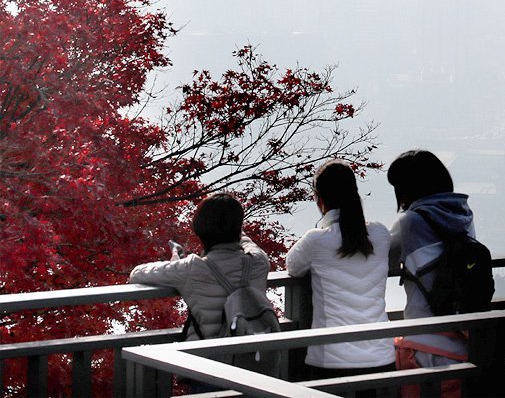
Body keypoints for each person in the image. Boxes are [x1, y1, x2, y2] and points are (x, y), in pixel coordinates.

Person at [129, 193, 270, 391]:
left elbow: (137, 274)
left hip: (209, 368)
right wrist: (235, 228)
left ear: (199, 229)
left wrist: (176, 261)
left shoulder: (191, 268)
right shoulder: (258, 262)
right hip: (253, 364)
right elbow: (250, 246)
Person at [286, 160, 396, 396]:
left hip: (332, 359)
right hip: (380, 355)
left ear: (319, 198)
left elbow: (292, 266)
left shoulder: (316, 240)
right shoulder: (379, 233)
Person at [388, 150, 475, 398]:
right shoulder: (463, 215)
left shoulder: (410, 223)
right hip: (465, 339)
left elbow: (380, 259)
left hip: (423, 345)